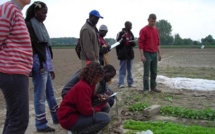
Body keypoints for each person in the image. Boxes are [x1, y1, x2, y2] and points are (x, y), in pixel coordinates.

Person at [25, 1, 58, 132]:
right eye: (43, 12)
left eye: (46, 13)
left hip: (45, 65)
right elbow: (29, 49)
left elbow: (46, 50)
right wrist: (35, 67)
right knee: (40, 96)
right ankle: (40, 124)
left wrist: (51, 68)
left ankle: (56, 117)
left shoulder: (40, 26)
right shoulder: (28, 25)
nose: (45, 15)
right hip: (38, 66)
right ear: (35, 12)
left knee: (50, 93)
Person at [0, 0, 32, 133]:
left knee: (13, 118)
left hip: (16, 72)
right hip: (11, 71)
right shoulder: (9, 9)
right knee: (19, 120)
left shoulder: (16, 12)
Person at [58, 62, 110, 133]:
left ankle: (86, 128)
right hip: (68, 119)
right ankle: (78, 132)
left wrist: (98, 97)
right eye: (99, 77)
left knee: (106, 107)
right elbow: (87, 112)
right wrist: (101, 104)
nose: (100, 79)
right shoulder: (83, 87)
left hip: (76, 112)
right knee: (105, 118)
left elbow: (88, 98)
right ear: (94, 76)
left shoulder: (91, 83)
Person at [138, 13, 162, 93]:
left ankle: (153, 87)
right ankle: (145, 89)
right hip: (147, 53)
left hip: (154, 53)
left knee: (154, 71)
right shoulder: (143, 30)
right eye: (152, 21)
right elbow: (140, 43)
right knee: (146, 72)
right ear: (148, 20)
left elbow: (158, 43)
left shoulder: (156, 30)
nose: (153, 23)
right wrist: (142, 55)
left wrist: (159, 54)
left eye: (154, 21)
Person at [116, 21, 136, 88]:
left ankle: (130, 83)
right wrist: (123, 41)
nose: (131, 27)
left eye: (131, 26)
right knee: (122, 69)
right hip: (123, 54)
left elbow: (133, 42)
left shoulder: (131, 33)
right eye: (130, 25)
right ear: (126, 26)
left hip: (130, 53)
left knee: (129, 69)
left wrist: (132, 43)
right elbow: (118, 43)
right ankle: (121, 83)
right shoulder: (120, 33)